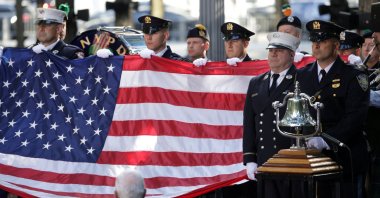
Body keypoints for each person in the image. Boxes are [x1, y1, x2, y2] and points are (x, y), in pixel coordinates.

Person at [298, 20, 369, 198]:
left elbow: (355, 117)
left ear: (336, 45)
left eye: (322, 39)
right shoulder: (301, 75)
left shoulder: (353, 76)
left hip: (344, 158)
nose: (316, 44)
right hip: (311, 159)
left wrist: (326, 140)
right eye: (313, 39)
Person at [243, 32, 300, 197]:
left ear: (292, 54)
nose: (273, 53)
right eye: (271, 50)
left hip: (291, 160)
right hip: (265, 160)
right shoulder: (256, 82)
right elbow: (249, 123)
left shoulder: (301, 79)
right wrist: (250, 159)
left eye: (280, 50)